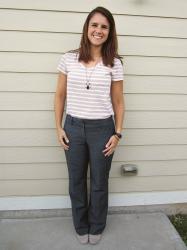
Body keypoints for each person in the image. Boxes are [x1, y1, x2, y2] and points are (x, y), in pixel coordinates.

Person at [54, 6, 125, 245]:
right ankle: (80, 225)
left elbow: (118, 102)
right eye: (94, 25)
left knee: (99, 182)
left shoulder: (114, 63)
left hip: (102, 129)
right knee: (76, 181)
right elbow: (60, 96)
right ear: (86, 28)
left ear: (109, 32)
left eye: (104, 27)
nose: (98, 30)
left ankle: (96, 226)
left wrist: (118, 133)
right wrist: (59, 127)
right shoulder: (68, 58)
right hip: (73, 127)